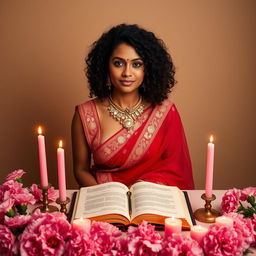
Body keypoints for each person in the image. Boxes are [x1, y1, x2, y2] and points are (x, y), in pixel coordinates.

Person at [71, 24, 194, 190]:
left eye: (136, 64)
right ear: (105, 66)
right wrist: (105, 196)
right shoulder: (85, 115)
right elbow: (81, 170)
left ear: (148, 69)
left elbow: (177, 170)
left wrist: (143, 191)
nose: (127, 73)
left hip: (153, 202)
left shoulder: (164, 111)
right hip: (105, 201)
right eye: (118, 63)